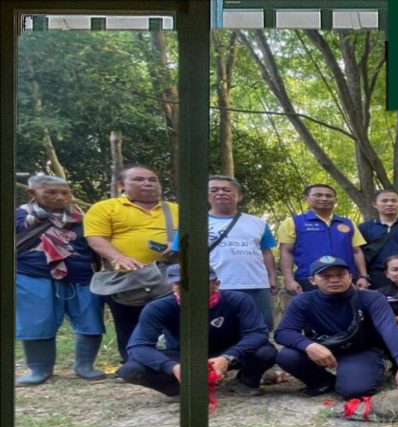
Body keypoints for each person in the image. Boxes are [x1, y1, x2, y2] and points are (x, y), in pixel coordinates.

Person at [116, 265, 277, 397]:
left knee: (266, 352)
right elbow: (139, 346)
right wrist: (171, 366)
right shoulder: (158, 307)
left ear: (216, 284)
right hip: (183, 356)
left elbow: (257, 333)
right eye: (181, 284)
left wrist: (228, 357)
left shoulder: (238, 300)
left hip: (228, 352)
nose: (189, 288)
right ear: (173, 287)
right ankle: (177, 388)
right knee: (131, 370)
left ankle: (244, 382)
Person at [274, 256, 398, 397]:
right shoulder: (302, 301)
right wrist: (309, 345)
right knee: (287, 356)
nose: (334, 280)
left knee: (354, 390)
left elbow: (389, 328)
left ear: (350, 276)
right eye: (326, 276)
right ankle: (323, 381)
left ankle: (355, 374)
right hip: (323, 347)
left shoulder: (371, 298)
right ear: (313, 280)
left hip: (360, 349)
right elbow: (283, 332)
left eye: (340, 275)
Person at [15, 175, 105, 385]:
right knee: (36, 321)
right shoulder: (19, 216)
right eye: (51, 192)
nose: (59, 197)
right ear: (31, 193)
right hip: (32, 275)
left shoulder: (83, 218)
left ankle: (85, 366)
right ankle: (40, 369)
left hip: (82, 277)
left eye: (65, 193)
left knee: (90, 319)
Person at [84, 164, 179, 361]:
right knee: (129, 326)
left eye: (152, 179)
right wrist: (119, 257)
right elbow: (96, 238)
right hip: (126, 278)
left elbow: (196, 237)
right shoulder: (105, 208)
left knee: (175, 323)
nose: (147, 183)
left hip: (169, 278)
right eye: (138, 179)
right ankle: (133, 365)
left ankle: (176, 365)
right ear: (121, 185)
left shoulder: (175, 209)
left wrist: (178, 244)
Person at [170, 176, 277, 330]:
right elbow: (182, 255)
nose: (220, 193)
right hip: (213, 285)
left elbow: (266, 252)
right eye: (214, 190)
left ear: (239, 196)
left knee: (261, 327)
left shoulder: (258, 223)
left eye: (226, 190)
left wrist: (272, 278)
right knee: (219, 330)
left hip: (256, 284)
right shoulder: (192, 223)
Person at [278, 184, 370, 294]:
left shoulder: (348, 223)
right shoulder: (293, 222)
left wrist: (363, 276)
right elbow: (286, 252)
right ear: (306, 199)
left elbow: (357, 252)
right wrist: (289, 280)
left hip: (345, 279)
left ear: (335, 200)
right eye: (318, 195)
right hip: (309, 280)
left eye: (329, 196)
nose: (324, 198)